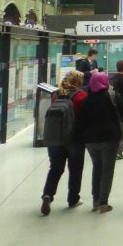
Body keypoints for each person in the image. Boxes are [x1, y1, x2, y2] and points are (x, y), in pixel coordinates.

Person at [40, 70, 87, 215]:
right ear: (78, 82)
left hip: (56, 138)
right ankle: (73, 199)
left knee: (55, 168)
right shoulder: (81, 96)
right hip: (75, 139)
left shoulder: (56, 95)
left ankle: (48, 194)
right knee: (75, 170)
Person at [77, 72, 123, 213]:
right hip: (110, 139)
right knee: (108, 170)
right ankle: (103, 202)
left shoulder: (86, 101)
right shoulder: (112, 98)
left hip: (91, 141)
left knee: (97, 167)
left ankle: (95, 200)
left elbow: (81, 121)